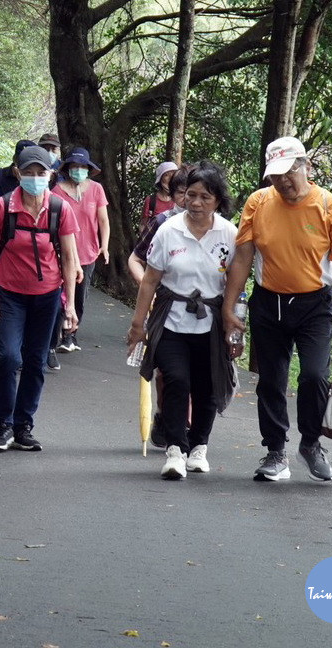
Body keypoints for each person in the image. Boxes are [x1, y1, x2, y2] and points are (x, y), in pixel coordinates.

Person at [222, 136, 332, 483]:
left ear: (306, 167)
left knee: (314, 375)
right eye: (275, 176)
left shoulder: (330, 206)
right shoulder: (258, 203)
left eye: (289, 173)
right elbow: (243, 257)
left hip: (314, 304)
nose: (283, 181)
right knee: (271, 379)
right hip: (269, 302)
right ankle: (275, 451)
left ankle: (311, 444)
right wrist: (231, 306)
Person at [127, 162, 238, 480]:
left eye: (205, 196)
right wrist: (138, 325)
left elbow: (236, 282)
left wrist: (235, 323)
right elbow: (149, 280)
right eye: (191, 195)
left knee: (207, 386)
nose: (197, 202)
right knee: (176, 380)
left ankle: (198, 446)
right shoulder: (168, 230)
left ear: (217, 200)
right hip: (171, 319)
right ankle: (175, 450)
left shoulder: (228, 234)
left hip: (212, 322)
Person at [0, 146, 80, 452]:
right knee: (9, 357)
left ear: (51, 175)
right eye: (29, 173)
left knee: (36, 361)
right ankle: (3, 426)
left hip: (47, 296)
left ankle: (24, 425)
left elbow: (68, 257)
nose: (35, 178)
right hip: (9, 294)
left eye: (41, 173)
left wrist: (70, 305)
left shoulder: (59, 209)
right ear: (17, 173)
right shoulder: (2, 206)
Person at [127, 165, 189, 450]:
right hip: (163, 307)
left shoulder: (219, 227)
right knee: (167, 371)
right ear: (173, 195)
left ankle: (187, 426)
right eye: (182, 193)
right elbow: (135, 259)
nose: (190, 200)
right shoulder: (162, 222)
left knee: (197, 371)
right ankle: (169, 417)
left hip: (201, 310)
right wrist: (148, 288)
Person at [50, 147, 110, 357]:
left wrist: (105, 245)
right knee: (61, 295)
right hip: (62, 253)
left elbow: (103, 220)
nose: (78, 170)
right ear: (67, 169)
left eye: (82, 167)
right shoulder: (56, 192)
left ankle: (70, 334)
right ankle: (55, 334)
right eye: (74, 166)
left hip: (88, 252)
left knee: (79, 297)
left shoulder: (96, 189)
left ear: (88, 169)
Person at [141, 161, 179, 229]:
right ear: (160, 179)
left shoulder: (181, 198)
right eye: (166, 175)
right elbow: (143, 225)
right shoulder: (151, 200)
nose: (171, 178)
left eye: (173, 174)